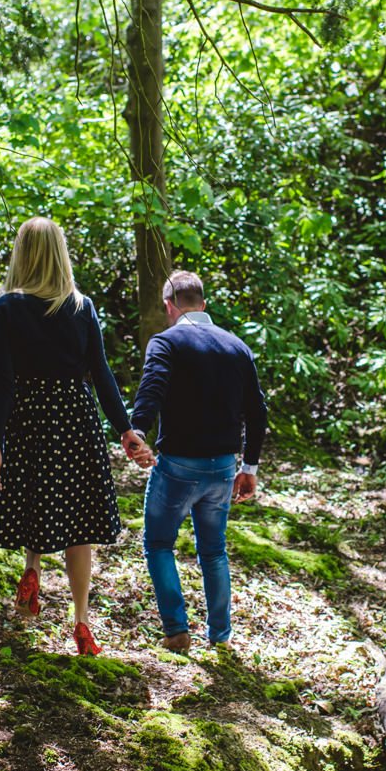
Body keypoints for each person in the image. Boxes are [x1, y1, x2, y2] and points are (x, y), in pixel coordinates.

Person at [0, 217, 152, 656]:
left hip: (29, 416)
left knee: (34, 496)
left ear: (22, 254)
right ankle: (82, 622)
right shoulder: (81, 306)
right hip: (76, 416)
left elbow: (3, 382)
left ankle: (31, 571)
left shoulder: (6, 308)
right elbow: (101, 374)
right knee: (78, 519)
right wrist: (126, 429)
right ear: (60, 252)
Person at [128, 270, 268, 652]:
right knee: (213, 550)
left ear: (169, 306)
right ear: (203, 305)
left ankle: (176, 630)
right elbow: (257, 411)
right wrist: (249, 468)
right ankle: (219, 636)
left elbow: (151, 388)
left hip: (178, 465)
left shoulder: (166, 342)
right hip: (223, 467)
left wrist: (138, 431)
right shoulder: (237, 346)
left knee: (158, 544)